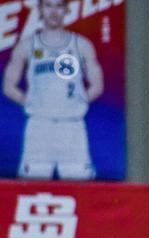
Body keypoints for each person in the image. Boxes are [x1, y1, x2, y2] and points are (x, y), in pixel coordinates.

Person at [2, 0, 103, 180]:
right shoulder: (27, 45)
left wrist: (78, 102)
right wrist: (29, 101)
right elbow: (8, 86)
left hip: (72, 127)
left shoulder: (81, 45)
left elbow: (97, 85)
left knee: (80, 185)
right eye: (48, 6)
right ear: (40, 9)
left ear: (66, 10)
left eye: (58, 6)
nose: (54, 11)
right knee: (33, 184)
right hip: (39, 127)